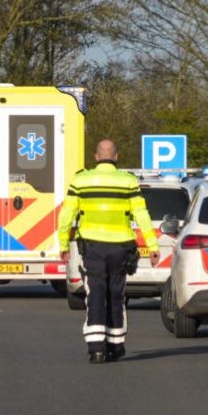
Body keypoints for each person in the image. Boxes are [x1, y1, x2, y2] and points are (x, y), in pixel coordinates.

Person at [56, 139, 157, 364]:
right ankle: (115, 345)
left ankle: (96, 349)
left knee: (95, 293)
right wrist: (152, 245)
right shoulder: (128, 181)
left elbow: (66, 215)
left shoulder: (80, 181)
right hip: (121, 247)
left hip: (92, 247)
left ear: (96, 157)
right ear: (116, 157)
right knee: (116, 294)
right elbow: (142, 214)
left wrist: (63, 244)